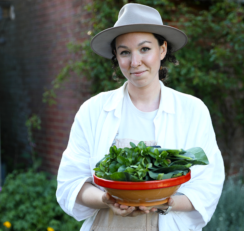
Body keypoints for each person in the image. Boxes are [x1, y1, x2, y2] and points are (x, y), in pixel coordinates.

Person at [56, 3, 225, 231]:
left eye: (145, 49)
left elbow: (208, 184)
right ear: (116, 57)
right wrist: (107, 199)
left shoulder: (192, 110)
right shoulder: (93, 110)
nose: (135, 62)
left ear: (162, 50)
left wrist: (165, 202)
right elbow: (71, 183)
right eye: (125, 52)